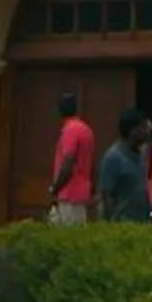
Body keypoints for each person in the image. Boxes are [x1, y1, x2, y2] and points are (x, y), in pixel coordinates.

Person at [47, 90, 97, 227]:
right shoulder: (85, 129)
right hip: (81, 193)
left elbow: (68, 164)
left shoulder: (71, 130)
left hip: (69, 194)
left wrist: (55, 188)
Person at [98, 107, 152, 223]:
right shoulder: (113, 158)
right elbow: (107, 195)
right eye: (143, 127)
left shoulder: (140, 155)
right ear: (132, 131)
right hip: (123, 227)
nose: (148, 131)